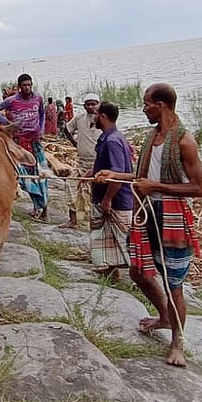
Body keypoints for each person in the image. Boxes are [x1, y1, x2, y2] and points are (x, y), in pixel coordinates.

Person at [94, 83, 202, 368]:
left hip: (173, 215)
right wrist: (114, 175)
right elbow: (141, 177)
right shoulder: (151, 137)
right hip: (146, 211)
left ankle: (178, 342)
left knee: (174, 284)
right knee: (139, 271)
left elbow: (198, 188)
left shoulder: (184, 142)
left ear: (162, 105)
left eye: (147, 104)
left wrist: (154, 186)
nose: (143, 109)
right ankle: (164, 317)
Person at [0, 73, 49, 219]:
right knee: (24, 176)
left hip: (35, 141)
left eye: (29, 85)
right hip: (19, 142)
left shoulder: (38, 98)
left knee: (42, 174)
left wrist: (41, 128)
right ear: (19, 87)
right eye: (24, 85)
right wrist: (7, 123)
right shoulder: (12, 100)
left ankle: (43, 208)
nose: (27, 87)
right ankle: (38, 203)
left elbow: (42, 114)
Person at [89, 101, 134, 277]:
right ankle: (110, 269)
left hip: (117, 199)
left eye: (96, 113)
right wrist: (91, 172)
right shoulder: (111, 137)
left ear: (103, 116)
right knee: (108, 236)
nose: (94, 117)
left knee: (124, 239)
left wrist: (107, 199)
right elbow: (107, 166)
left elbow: (116, 174)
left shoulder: (112, 141)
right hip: (107, 196)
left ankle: (141, 276)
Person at [60, 93, 101, 228]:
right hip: (81, 163)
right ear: (84, 106)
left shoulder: (102, 120)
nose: (91, 107)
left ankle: (93, 222)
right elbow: (66, 129)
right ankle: (73, 220)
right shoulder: (79, 119)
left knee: (93, 195)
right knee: (71, 186)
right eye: (88, 104)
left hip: (98, 164)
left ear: (98, 104)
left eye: (93, 104)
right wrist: (75, 143)